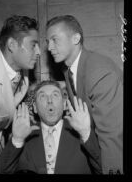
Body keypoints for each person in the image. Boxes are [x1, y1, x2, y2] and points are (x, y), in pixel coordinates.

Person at [46, 15, 123, 174]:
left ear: (76, 38)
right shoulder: (69, 70)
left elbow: (112, 138)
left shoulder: (100, 72)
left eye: (54, 40)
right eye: (48, 41)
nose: (49, 47)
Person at [0, 15, 40, 173]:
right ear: (12, 44)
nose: (38, 52)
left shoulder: (22, 71)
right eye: (33, 45)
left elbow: (6, 104)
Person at [0, 80, 102, 174]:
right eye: (42, 96)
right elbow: (1, 171)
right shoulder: (24, 134)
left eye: (55, 95)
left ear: (65, 104)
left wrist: (86, 133)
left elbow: (104, 169)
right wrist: (17, 140)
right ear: (35, 108)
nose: (49, 100)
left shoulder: (80, 131)